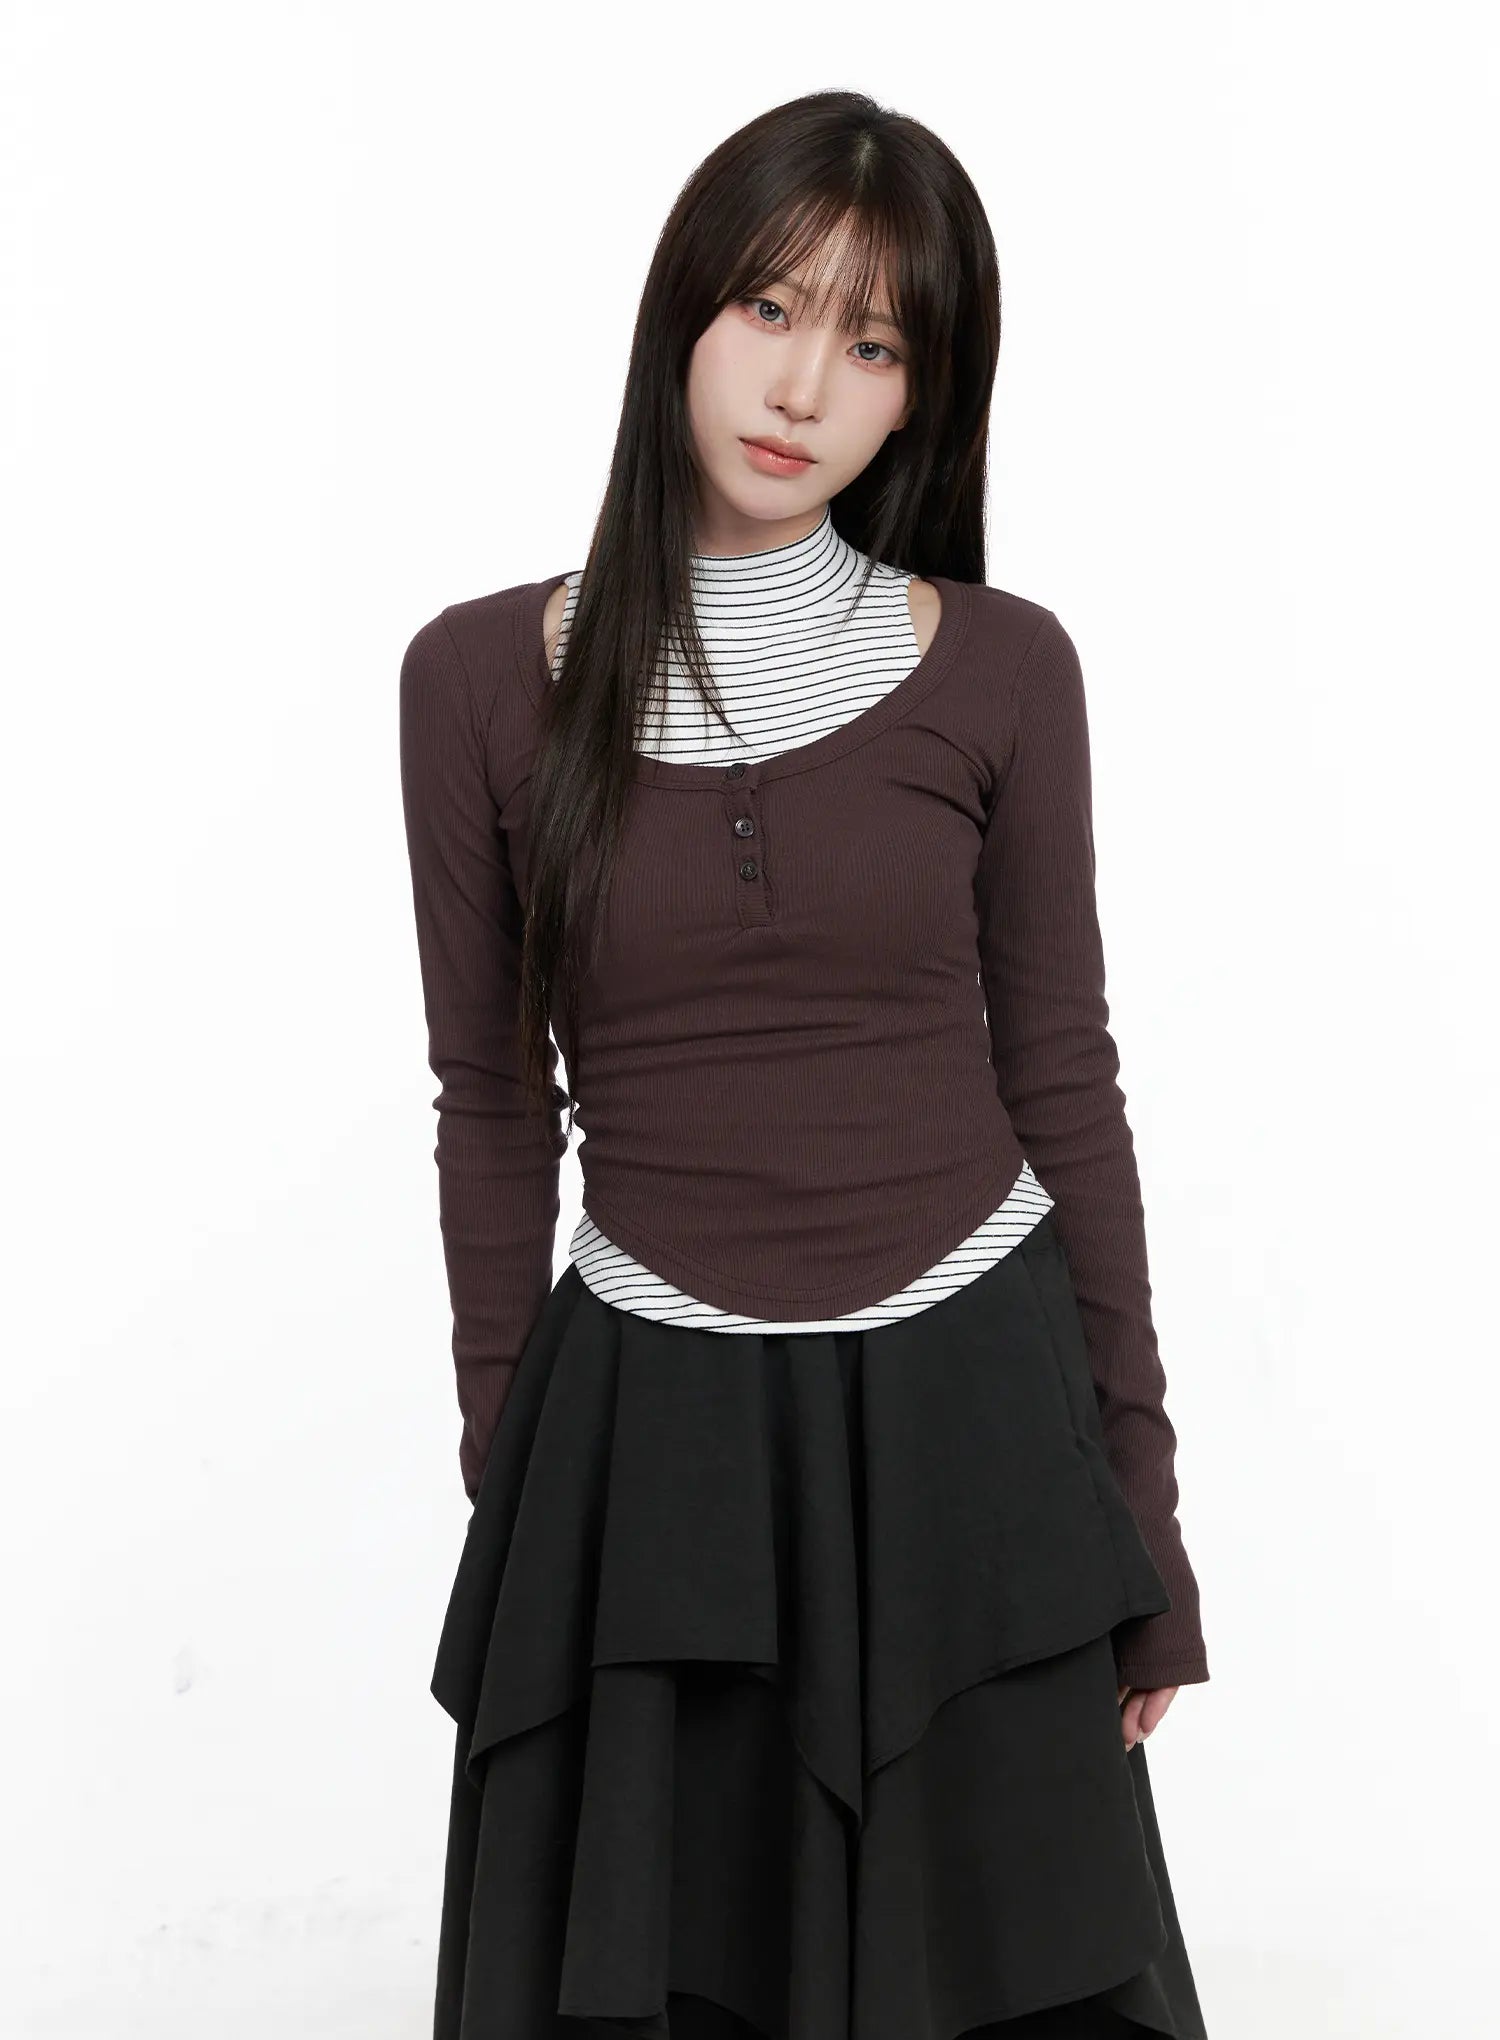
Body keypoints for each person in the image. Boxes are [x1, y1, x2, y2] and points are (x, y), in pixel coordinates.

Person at [398, 87, 1211, 2040]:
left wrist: (1141, 1510)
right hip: (649, 1436)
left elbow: (1067, 1078)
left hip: (972, 1426)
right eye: (770, 308)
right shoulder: (476, 682)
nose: (802, 387)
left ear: (923, 395)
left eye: (873, 343)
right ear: (683, 308)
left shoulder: (1006, 667)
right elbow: (492, 1102)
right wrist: (517, 1474)